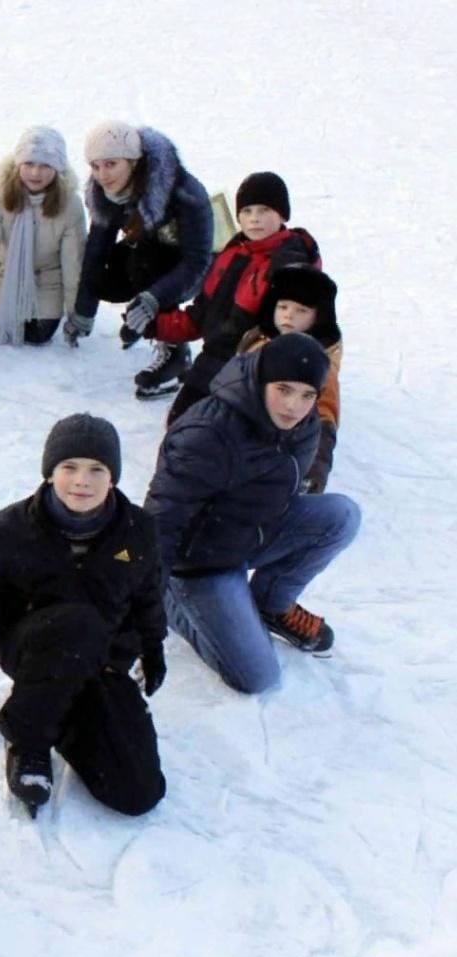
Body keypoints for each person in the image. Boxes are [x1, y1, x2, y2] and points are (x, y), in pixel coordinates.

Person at [0, 415, 167, 817]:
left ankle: (65, 712)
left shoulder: (138, 530)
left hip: (102, 660)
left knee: (137, 792)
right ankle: (27, 738)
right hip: (31, 647)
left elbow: (148, 594)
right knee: (77, 626)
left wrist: (153, 647)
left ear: (113, 477)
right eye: (69, 467)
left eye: (96, 469)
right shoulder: (5, 532)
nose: (81, 480)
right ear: (50, 472)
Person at [143, 333, 360, 693]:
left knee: (341, 516)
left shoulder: (303, 426)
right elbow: (163, 520)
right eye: (284, 389)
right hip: (199, 563)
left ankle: (270, 604)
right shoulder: (210, 434)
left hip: (250, 533)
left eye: (307, 395)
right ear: (261, 381)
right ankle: (173, 603)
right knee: (258, 677)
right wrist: (144, 607)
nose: (293, 405)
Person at [145, 171, 321, 424]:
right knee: (179, 425)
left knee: (223, 438)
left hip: (254, 375)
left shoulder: (289, 265)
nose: (254, 219)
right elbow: (200, 316)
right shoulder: (232, 254)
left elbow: (292, 337)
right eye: (247, 211)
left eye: (264, 210)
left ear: (282, 214)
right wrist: (154, 325)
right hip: (213, 361)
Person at [68, 122, 213, 399]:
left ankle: (175, 352)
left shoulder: (184, 192)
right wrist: (83, 313)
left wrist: (151, 300)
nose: (102, 175)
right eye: (95, 166)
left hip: (202, 268)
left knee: (149, 263)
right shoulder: (106, 192)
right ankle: (145, 319)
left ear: (134, 162)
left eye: (111, 164)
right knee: (105, 275)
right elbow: (98, 249)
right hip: (151, 257)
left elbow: (198, 261)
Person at [0, 127, 87, 346]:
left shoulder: (70, 204)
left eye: (45, 165)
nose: (35, 173)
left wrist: (77, 316)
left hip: (46, 282)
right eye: (29, 164)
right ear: (18, 164)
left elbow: (74, 264)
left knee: (37, 335)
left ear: (57, 168)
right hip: (6, 277)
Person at [235, 266, 343, 492]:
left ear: (318, 316)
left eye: (301, 310)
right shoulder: (258, 341)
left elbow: (324, 420)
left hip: (281, 441)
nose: (288, 316)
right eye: (282, 306)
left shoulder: (318, 365)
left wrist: (314, 470)